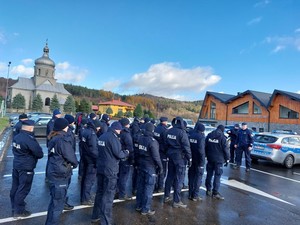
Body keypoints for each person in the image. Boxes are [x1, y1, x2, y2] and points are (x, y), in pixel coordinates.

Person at [91, 122, 129, 225]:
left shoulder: (102, 136)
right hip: (110, 170)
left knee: (99, 193)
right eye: (120, 130)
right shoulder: (113, 138)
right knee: (108, 196)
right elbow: (119, 154)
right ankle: (106, 221)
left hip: (101, 168)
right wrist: (126, 152)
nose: (120, 132)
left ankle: (95, 216)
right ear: (117, 129)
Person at [45, 118, 78, 225]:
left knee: (54, 203)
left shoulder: (53, 137)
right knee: (57, 205)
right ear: (63, 127)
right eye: (66, 125)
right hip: (60, 173)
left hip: (53, 171)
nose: (68, 127)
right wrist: (75, 164)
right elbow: (70, 156)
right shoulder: (62, 140)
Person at [10, 120, 43, 218]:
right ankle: (19, 211)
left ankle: (14, 207)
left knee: (15, 188)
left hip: (17, 165)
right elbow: (39, 153)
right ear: (31, 128)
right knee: (23, 189)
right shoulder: (29, 139)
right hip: (26, 167)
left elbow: (14, 150)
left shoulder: (17, 137)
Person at [163, 116, 192, 208]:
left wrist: (168, 152)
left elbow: (165, 144)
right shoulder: (182, 133)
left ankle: (166, 196)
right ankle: (176, 201)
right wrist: (189, 158)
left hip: (171, 156)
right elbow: (186, 147)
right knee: (179, 179)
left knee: (170, 176)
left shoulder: (168, 131)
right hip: (180, 158)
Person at [136, 123, 163, 215]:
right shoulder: (152, 142)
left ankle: (138, 205)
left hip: (141, 165)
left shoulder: (140, 139)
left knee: (140, 187)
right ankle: (145, 209)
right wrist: (160, 167)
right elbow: (156, 157)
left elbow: (137, 152)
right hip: (150, 167)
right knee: (148, 188)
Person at [205, 125, 229, 200]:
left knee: (209, 174)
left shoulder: (209, 135)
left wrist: (206, 155)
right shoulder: (222, 137)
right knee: (217, 175)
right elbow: (226, 149)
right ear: (222, 130)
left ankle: (208, 189)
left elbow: (205, 145)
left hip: (210, 158)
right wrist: (227, 159)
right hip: (219, 160)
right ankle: (215, 193)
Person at [80, 119, 101, 205]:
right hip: (91, 160)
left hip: (85, 157)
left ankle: (83, 196)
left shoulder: (85, 131)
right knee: (89, 180)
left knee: (85, 178)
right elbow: (93, 150)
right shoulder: (92, 134)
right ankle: (86, 198)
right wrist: (98, 159)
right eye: (99, 127)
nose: (99, 128)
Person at [188, 122, 206, 201]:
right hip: (198, 160)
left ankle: (190, 194)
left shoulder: (190, 135)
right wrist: (202, 162)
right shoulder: (201, 137)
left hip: (191, 159)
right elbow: (201, 151)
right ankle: (195, 195)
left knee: (191, 176)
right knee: (198, 177)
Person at [117, 118, 134, 200]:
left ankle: (116, 191)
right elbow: (130, 148)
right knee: (124, 176)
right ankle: (122, 194)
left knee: (118, 175)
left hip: (118, 156)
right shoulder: (126, 134)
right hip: (125, 157)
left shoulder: (118, 132)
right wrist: (132, 159)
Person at [153, 116, 168, 192]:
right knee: (162, 170)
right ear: (165, 122)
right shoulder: (164, 130)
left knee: (156, 168)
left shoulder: (156, 128)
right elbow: (166, 142)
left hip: (155, 150)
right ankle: (160, 187)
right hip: (162, 152)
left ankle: (155, 185)